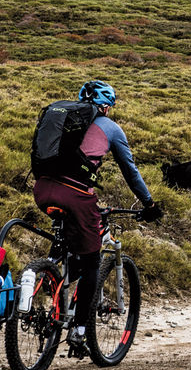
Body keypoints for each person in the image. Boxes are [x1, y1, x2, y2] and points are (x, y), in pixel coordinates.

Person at [31, 80, 162, 353]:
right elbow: (131, 172)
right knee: (92, 262)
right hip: (76, 195)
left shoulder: (63, 120)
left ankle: (49, 273)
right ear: (106, 106)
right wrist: (149, 204)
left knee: (69, 241)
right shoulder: (111, 128)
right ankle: (79, 332)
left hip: (43, 189)